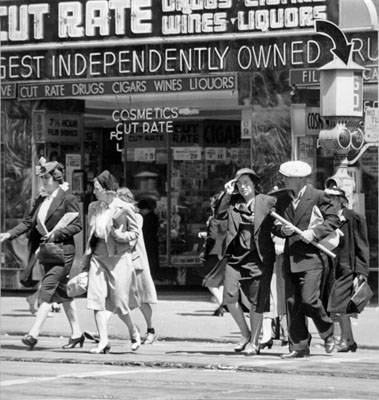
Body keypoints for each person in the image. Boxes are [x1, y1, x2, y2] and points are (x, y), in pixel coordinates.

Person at [0, 161, 83, 350]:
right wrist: (9, 234)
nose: (43, 181)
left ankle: (33, 334)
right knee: (62, 293)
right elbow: (28, 222)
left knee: (46, 289)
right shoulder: (41, 199)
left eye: (46, 178)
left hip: (63, 252)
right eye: (42, 178)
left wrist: (56, 234)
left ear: (56, 178)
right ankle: (77, 333)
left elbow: (77, 226)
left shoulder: (68, 198)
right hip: (48, 252)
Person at [274, 160, 340, 359]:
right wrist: (281, 230)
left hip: (313, 257)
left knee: (309, 299)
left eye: (289, 178)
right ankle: (300, 346)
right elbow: (275, 223)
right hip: (290, 256)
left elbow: (334, 219)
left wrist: (314, 233)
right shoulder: (282, 198)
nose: (285, 180)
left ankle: (328, 333)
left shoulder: (319, 196)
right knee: (293, 302)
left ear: (301, 179)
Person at [214, 168, 276, 355]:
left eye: (246, 183)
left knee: (257, 303)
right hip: (236, 258)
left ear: (254, 184)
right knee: (229, 298)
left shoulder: (266, 201)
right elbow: (219, 214)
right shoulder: (232, 203)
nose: (243, 187)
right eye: (239, 184)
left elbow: (280, 221)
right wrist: (227, 191)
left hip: (258, 258)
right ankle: (245, 333)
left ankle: (254, 342)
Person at [84, 170, 141, 354]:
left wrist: (120, 235)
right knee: (96, 299)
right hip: (98, 256)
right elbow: (91, 233)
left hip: (118, 258)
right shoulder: (93, 206)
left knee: (119, 302)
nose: (94, 191)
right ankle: (103, 341)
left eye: (97, 188)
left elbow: (135, 233)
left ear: (108, 190)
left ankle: (134, 331)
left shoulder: (124, 207)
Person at [325, 185, 370, 352]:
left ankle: (344, 339)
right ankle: (348, 340)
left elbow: (362, 245)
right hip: (331, 268)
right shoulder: (327, 218)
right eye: (328, 198)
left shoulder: (353, 218)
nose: (329, 201)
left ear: (341, 200)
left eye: (333, 198)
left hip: (347, 267)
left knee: (337, 305)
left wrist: (362, 271)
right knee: (340, 306)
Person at [117, 187, 159, 344]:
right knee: (116, 299)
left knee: (142, 300)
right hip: (121, 263)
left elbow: (131, 240)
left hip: (135, 263)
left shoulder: (136, 217)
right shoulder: (117, 217)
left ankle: (150, 330)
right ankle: (104, 333)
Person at [198, 191, 227, 316]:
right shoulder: (230, 217)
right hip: (226, 252)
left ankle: (222, 304)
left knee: (209, 280)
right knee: (219, 281)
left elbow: (213, 237)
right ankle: (221, 305)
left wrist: (206, 238)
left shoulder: (214, 219)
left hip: (215, 252)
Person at [138, 198, 160, 280]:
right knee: (153, 259)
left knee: (149, 260)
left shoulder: (147, 218)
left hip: (148, 242)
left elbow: (145, 232)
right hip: (153, 242)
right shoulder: (153, 216)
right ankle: (154, 274)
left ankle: (151, 275)